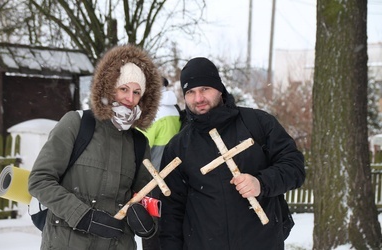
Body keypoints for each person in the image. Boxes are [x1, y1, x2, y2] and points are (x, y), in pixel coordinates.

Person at [158, 57, 306, 250]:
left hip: (262, 243)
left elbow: (294, 167)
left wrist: (261, 183)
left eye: (205, 89)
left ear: (219, 88)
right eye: (191, 92)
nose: (198, 98)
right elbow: (171, 213)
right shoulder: (179, 147)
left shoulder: (258, 124)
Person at [28, 44, 162, 249]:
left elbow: (145, 197)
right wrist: (82, 216)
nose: (130, 98)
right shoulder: (77, 123)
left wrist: (147, 223)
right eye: (124, 89)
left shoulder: (138, 142)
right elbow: (40, 180)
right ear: (109, 87)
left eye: (137, 92)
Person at [139, 77, 181, 250]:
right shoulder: (174, 109)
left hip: (153, 180)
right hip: (173, 177)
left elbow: (138, 147)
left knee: (150, 232)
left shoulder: (153, 114)